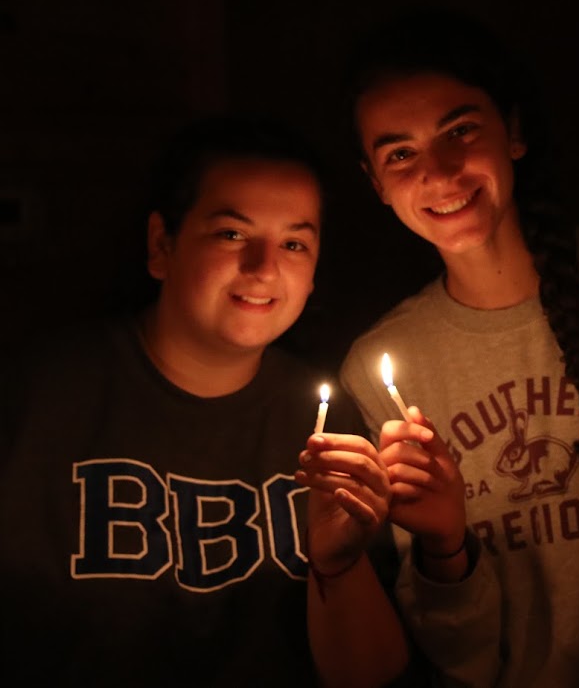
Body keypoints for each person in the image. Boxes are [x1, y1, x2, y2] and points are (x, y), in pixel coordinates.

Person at [314, 8, 579, 688]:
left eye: (460, 131)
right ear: (376, 183)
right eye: (400, 154)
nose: (439, 171)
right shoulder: (382, 364)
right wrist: (445, 543)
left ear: (515, 132)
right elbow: (460, 653)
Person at [0, 115, 376, 685]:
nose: (263, 268)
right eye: (231, 234)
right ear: (162, 244)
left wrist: (341, 566)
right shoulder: (39, 395)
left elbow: (372, 674)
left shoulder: (329, 426)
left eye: (294, 243)